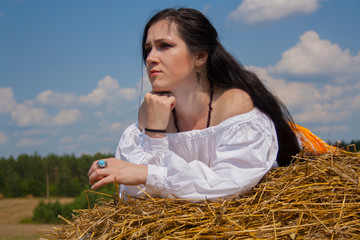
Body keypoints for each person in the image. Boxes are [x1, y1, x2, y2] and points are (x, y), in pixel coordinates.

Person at [88, 8, 300, 200]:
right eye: (148, 49)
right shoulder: (150, 111)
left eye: (165, 46)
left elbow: (228, 184)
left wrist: (146, 173)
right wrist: (153, 133)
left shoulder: (233, 104)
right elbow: (136, 195)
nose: (151, 58)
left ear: (199, 56)